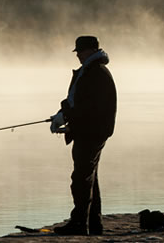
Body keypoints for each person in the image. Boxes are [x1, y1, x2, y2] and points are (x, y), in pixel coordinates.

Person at [49, 36, 117, 235]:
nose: (77, 54)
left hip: (91, 133)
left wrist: (69, 121)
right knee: (89, 178)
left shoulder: (95, 73)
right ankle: (93, 224)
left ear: (89, 51)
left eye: (79, 51)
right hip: (89, 131)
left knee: (81, 178)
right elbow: (77, 101)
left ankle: (79, 224)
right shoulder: (91, 71)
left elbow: (88, 108)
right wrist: (62, 115)